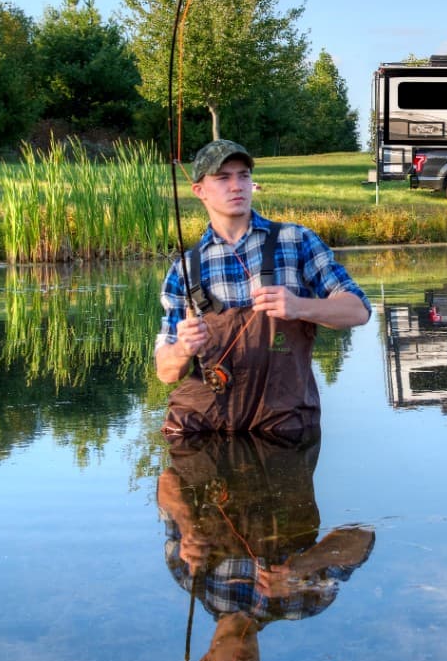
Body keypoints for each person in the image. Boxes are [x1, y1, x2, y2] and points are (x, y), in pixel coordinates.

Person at [156, 139, 371, 438]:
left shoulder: (296, 240)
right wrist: (182, 348)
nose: (237, 186)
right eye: (223, 178)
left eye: (243, 175)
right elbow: (166, 372)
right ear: (199, 190)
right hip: (202, 432)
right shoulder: (184, 268)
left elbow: (358, 310)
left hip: (284, 428)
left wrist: (300, 306)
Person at [156, 430, 376, 661]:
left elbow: (168, 479)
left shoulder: (189, 575)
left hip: (210, 432)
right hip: (285, 434)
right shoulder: (301, 603)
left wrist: (188, 526)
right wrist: (301, 566)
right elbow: (363, 537)